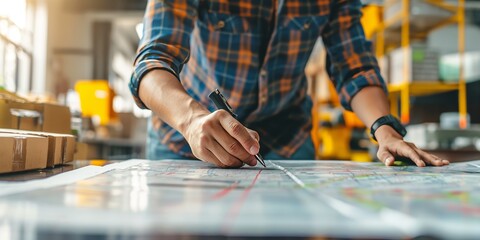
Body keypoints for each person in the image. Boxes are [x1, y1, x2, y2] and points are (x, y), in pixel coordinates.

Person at [130, 0, 449, 168]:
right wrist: (191, 119)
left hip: (285, 141)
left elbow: (355, 66)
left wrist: (385, 130)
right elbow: (152, 61)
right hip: (188, 136)